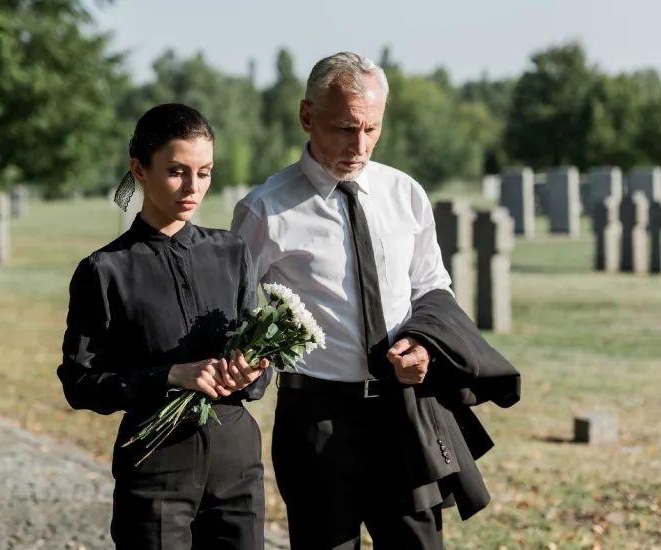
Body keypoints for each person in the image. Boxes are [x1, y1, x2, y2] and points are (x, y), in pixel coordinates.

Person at [231, 52, 519, 550]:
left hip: (403, 414)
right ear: (307, 116)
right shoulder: (265, 209)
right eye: (344, 128)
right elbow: (237, 313)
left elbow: (431, 286)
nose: (358, 145)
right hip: (316, 421)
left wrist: (424, 347)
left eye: (371, 129)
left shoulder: (404, 193)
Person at [57, 103, 273, 550]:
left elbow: (261, 366)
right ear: (139, 169)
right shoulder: (104, 270)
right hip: (156, 473)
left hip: (237, 468)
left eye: (205, 172)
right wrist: (170, 376)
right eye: (177, 171)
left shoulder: (233, 253)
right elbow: (80, 383)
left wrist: (253, 372)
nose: (194, 187)